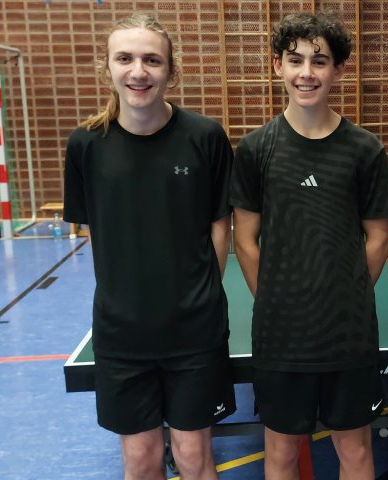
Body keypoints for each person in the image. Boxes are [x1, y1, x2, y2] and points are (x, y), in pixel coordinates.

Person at [63, 13, 235, 480]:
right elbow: (96, 231)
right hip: (122, 335)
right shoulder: (86, 145)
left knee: (193, 456)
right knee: (140, 460)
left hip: (194, 332)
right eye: (125, 58)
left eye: (152, 60)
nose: (138, 71)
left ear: (170, 70)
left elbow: (220, 226)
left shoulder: (205, 138)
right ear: (107, 67)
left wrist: (199, 295)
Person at [229, 11, 388, 480]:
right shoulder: (256, 148)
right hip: (280, 337)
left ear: (338, 70)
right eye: (295, 60)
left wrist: (347, 293)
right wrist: (276, 299)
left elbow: (379, 235)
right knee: (281, 454)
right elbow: (245, 238)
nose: (307, 73)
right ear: (277, 66)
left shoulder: (364, 149)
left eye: (319, 61)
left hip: (348, 335)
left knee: (356, 453)